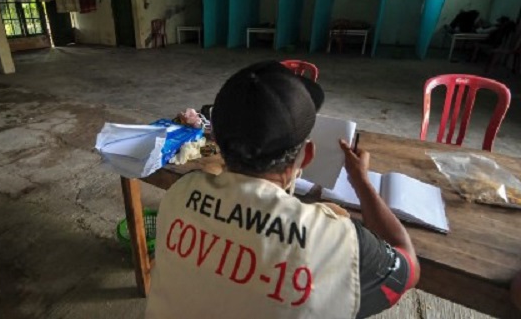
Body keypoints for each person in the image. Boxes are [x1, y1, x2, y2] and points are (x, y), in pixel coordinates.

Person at [145, 61, 420, 319]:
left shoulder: (180, 193)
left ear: (215, 140)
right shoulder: (336, 238)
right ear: (307, 155)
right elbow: (409, 271)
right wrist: (361, 182)